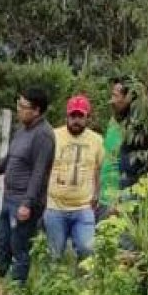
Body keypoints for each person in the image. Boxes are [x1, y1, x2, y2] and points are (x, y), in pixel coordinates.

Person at [0, 87, 54, 283]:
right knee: (2, 246)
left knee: (20, 250)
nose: (19, 109)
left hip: (24, 203)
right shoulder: (22, 129)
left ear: (37, 110)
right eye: (18, 104)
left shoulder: (44, 135)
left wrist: (27, 203)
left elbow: (39, 173)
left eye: (23, 106)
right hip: (9, 198)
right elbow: (11, 158)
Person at [45, 94, 104, 261]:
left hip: (83, 207)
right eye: (73, 116)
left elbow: (99, 169)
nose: (76, 120)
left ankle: (84, 285)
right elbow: (44, 167)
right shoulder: (53, 136)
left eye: (80, 116)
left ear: (87, 118)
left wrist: (97, 194)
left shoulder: (97, 140)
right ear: (67, 116)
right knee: (54, 255)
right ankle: (53, 286)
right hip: (55, 206)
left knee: (88, 249)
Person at [97, 77, 148, 221]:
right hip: (104, 195)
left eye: (115, 96)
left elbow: (135, 169)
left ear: (129, 97)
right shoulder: (113, 121)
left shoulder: (138, 128)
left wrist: (121, 199)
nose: (111, 101)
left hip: (122, 198)